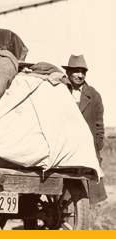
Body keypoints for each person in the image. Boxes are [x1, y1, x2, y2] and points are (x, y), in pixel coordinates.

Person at [62, 54, 107, 204]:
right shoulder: (60, 91)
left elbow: (99, 125)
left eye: (83, 72)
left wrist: (97, 144)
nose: (80, 75)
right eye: (76, 71)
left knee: (85, 195)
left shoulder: (94, 96)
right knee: (62, 191)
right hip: (64, 149)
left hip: (86, 151)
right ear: (68, 72)